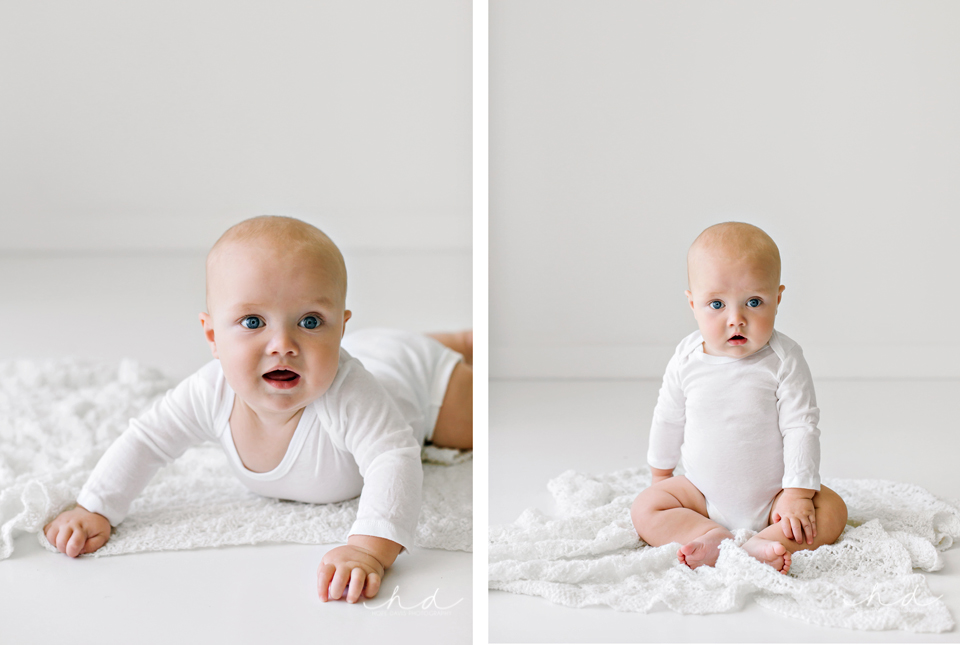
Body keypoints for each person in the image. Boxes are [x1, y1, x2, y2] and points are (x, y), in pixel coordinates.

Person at [43, 215, 473, 603]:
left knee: (473, 419)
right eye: (253, 322)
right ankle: (439, 339)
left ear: (341, 328)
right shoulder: (210, 392)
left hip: (419, 385)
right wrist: (95, 506)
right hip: (380, 350)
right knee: (392, 346)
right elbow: (148, 439)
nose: (282, 344)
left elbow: (391, 457)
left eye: (310, 321)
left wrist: (367, 547)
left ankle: (457, 343)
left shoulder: (349, 392)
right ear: (212, 335)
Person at [630, 222, 847, 574]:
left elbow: (802, 426)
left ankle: (767, 540)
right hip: (701, 495)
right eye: (716, 304)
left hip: (775, 495)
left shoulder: (784, 359)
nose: (736, 319)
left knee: (832, 509)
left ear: (777, 298)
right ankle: (710, 534)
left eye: (754, 302)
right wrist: (661, 475)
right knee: (645, 508)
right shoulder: (687, 359)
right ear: (692, 303)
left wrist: (796, 494)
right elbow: (668, 417)